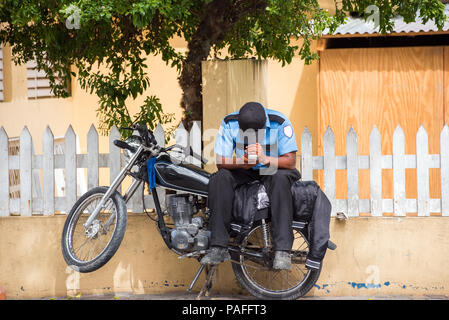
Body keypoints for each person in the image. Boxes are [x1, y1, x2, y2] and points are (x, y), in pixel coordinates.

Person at [200, 101, 301, 270]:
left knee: (280, 180)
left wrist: (265, 159)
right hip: (245, 168)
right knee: (219, 178)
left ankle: (282, 251)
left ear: (265, 124)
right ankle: (218, 246)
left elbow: (291, 161)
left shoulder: (280, 122)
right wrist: (242, 162)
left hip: (272, 168)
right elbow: (220, 162)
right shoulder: (229, 122)